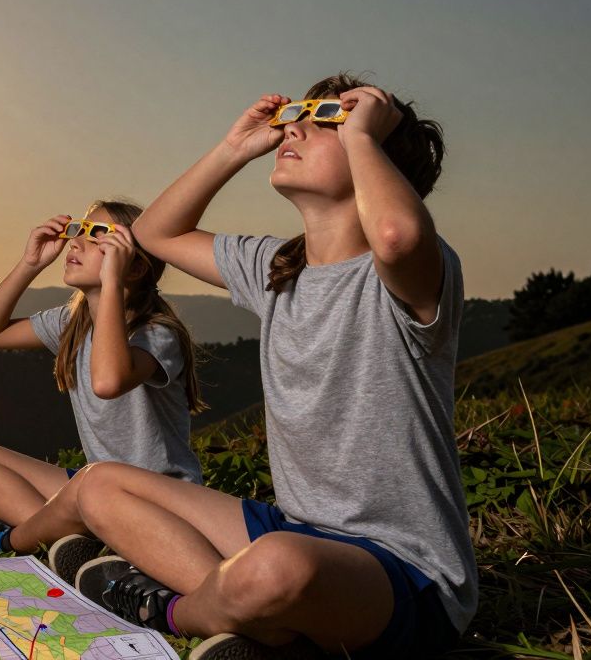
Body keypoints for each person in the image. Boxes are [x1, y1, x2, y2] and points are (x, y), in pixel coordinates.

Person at [69, 74, 476, 660]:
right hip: (295, 530)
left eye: (328, 118)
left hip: (407, 573)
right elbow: (155, 234)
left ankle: (178, 610)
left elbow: (393, 233)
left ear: (376, 154)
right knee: (99, 483)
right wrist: (235, 147)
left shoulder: (413, 270)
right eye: (298, 114)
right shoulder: (274, 268)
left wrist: (364, 134)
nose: (296, 126)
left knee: (276, 568)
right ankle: (256, 613)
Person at [0, 199, 207, 582]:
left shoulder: (157, 333)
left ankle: (15, 541)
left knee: (88, 484)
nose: (76, 243)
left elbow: (108, 381)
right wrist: (31, 264)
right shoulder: (73, 323)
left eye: (98, 236)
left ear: (135, 264)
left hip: (161, 498)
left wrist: (113, 281)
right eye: (78, 230)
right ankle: (76, 544)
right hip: (95, 485)